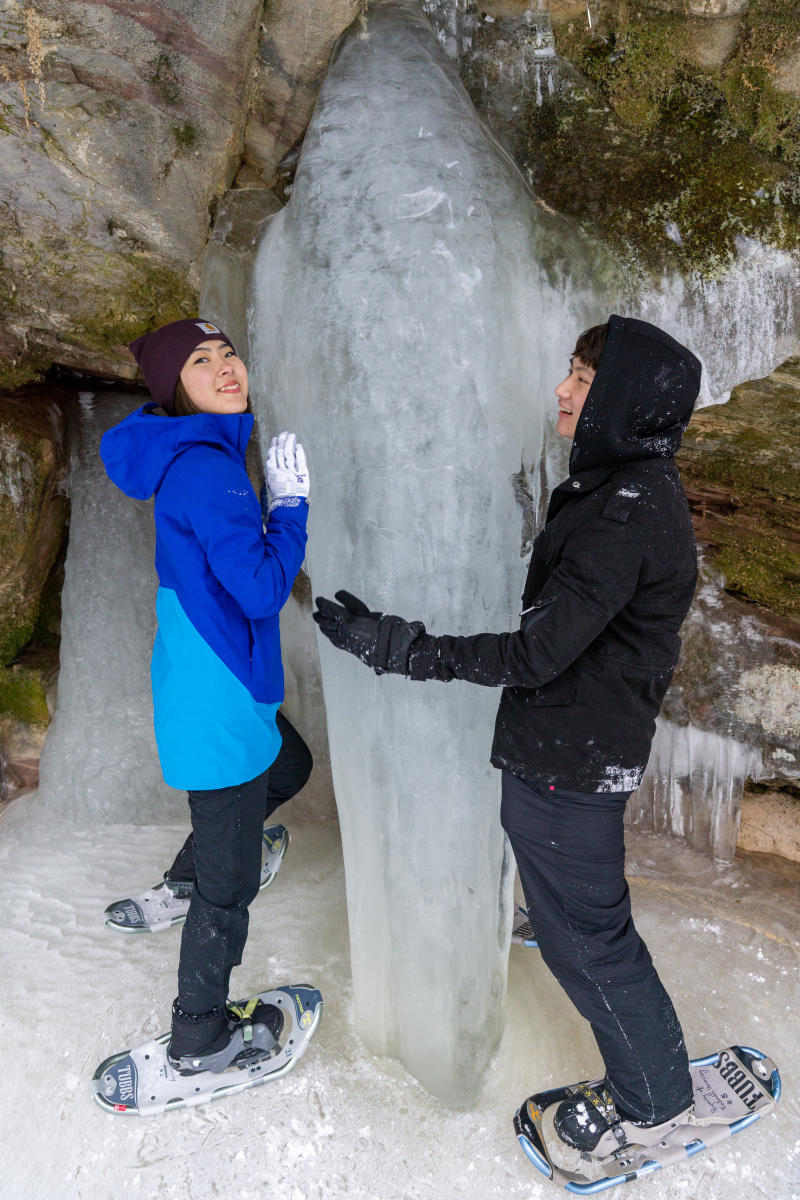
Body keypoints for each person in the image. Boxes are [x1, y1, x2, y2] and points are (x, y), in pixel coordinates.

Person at [313, 314, 700, 1151]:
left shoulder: (625, 513)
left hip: (570, 762)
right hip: (564, 753)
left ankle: (655, 1095)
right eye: (569, 373)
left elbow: (536, 654)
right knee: (575, 927)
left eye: (584, 381)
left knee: (589, 943)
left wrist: (397, 647)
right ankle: (637, 1050)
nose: (563, 392)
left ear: (626, 400)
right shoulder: (621, 491)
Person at [100, 317, 311, 1072]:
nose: (225, 368)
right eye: (200, 361)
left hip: (216, 681)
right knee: (229, 895)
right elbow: (258, 586)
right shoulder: (206, 468)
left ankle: (190, 875)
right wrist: (289, 512)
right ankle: (201, 1036)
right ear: (175, 388)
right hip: (218, 701)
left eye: (227, 352)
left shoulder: (201, 455)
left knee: (288, 767)